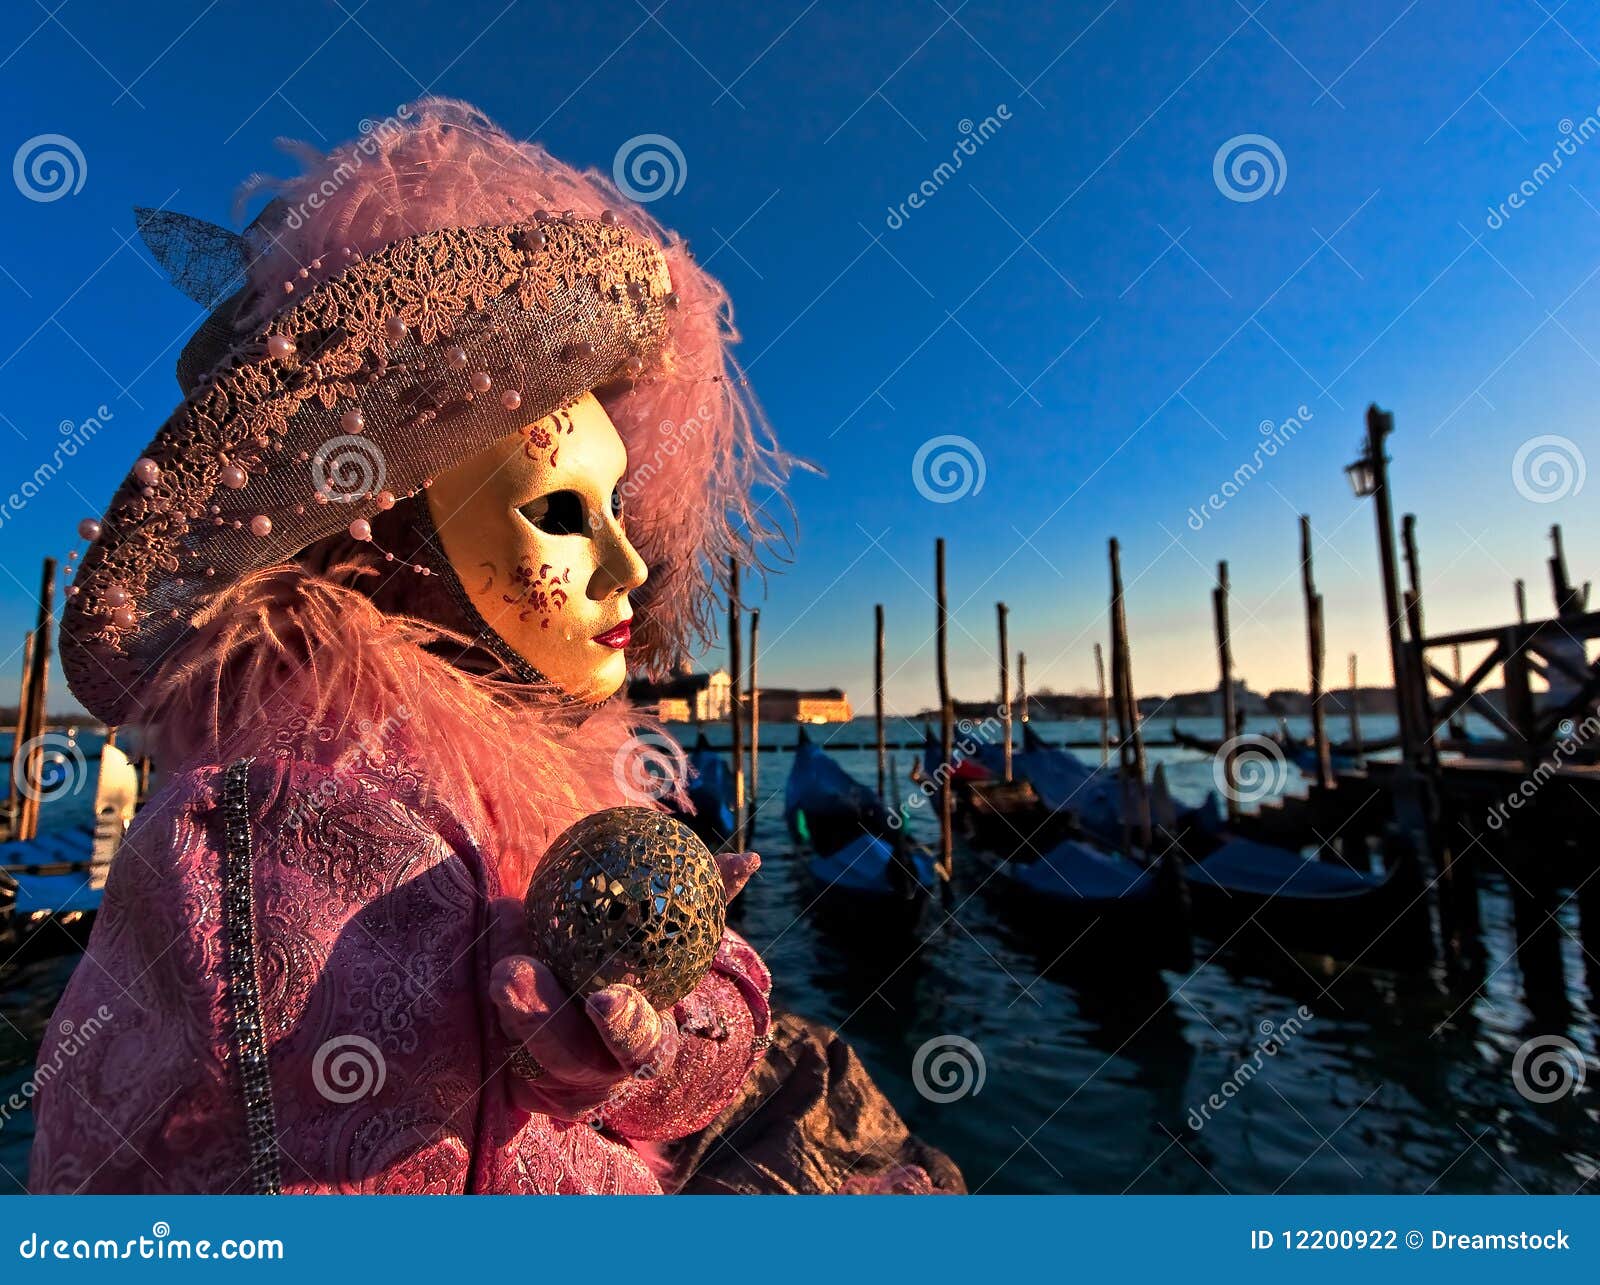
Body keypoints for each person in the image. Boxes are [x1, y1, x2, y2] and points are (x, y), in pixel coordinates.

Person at [29, 99, 960, 1195]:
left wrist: (638, 1048)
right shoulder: (277, 832)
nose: (629, 567)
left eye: (615, 506)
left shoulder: (528, 772)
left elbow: (670, 1072)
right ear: (400, 545)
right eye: (560, 514)